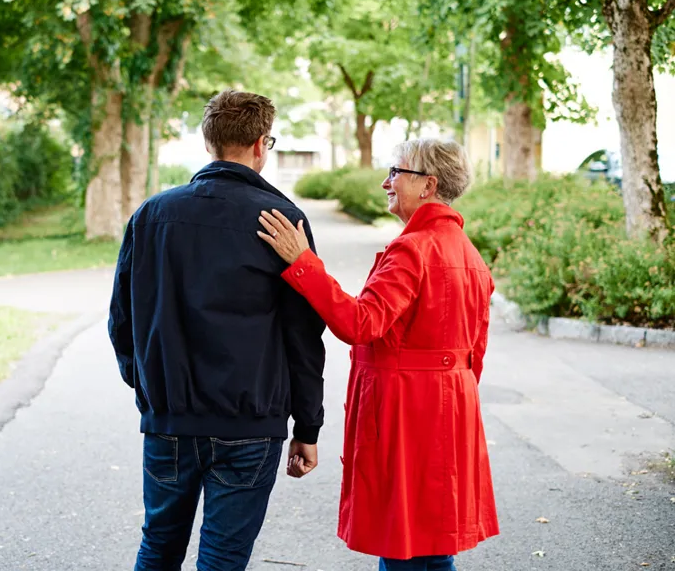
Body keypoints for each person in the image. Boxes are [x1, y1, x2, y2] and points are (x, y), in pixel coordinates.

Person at [109, 89, 327, 571]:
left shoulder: (152, 216)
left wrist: (149, 388)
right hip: (250, 425)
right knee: (223, 559)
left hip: (169, 420)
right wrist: (307, 425)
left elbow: (121, 320)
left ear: (209, 142)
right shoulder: (282, 222)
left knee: (158, 547)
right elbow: (303, 336)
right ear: (259, 145)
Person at [258, 138, 499, 571]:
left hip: (408, 410)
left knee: (403, 537)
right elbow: (475, 353)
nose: (386, 182)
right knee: (431, 540)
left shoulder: (414, 248)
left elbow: (359, 324)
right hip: (451, 406)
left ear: (428, 184)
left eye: (396, 172)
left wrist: (304, 262)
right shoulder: (469, 253)